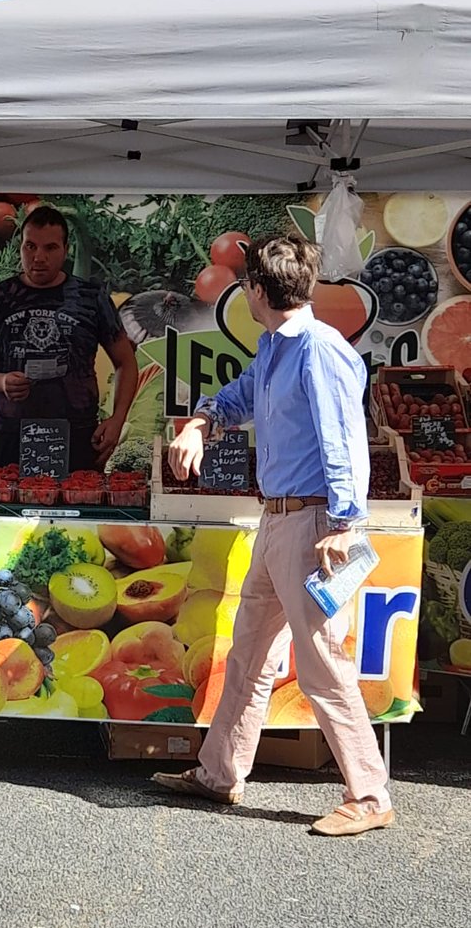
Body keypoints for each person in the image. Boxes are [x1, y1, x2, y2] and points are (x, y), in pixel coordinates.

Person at [155, 235, 394, 837]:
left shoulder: (319, 350)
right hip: (280, 521)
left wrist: (344, 521)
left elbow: (344, 438)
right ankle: (219, 773)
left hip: (314, 525)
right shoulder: (276, 348)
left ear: (257, 291)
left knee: (322, 665)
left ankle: (369, 795)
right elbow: (237, 397)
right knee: (250, 655)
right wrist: (201, 424)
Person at [0, 205, 138, 471]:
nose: (38, 257)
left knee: (79, 510)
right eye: (30, 247)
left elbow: (126, 362)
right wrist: (1, 381)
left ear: (65, 250)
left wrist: (117, 419)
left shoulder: (92, 298)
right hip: (12, 436)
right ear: (20, 247)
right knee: (6, 511)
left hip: (77, 435)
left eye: (50, 248)